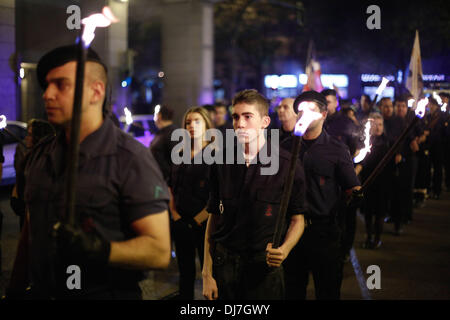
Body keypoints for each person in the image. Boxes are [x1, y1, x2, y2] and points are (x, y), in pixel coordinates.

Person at [6, 44, 171, 300]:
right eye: (47, 85)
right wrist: (15, 288)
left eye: (61, 85)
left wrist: (100, 250)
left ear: (96, 91)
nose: (47, 94)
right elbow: (30, 231)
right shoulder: (40, 155)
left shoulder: (130, 159)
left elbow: (158, 251)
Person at [202, 89, 306, 300]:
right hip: (225, 264)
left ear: (265, 122)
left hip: (263, 269)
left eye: (248, 116)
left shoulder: (287, 165)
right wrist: (206, 272)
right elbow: (214, 218)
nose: (240, 124)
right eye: (236, 117)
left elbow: (298, 219)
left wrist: (284, 249)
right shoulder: (221, 161)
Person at [282, 90, 361, 300]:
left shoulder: (337, 149)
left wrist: (356, 193)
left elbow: (350, 187)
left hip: (324, 232)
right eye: (300, 110)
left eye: (311, 109)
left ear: (324, 114)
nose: (304, 114)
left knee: (327, 291)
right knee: (292, 290)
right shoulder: (284, 148)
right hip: (289, 231)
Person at [169, 107, 213, 300]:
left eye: (197, 121)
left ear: (206, 124)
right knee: (185, 272)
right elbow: (171, 185)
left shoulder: (215, 153)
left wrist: (198, 219)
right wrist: (175, 214)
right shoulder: (180, 151)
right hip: (180, 219)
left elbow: (216, 193)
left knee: (208, 272)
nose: (192, 126)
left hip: (205, 222)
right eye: (188, 122)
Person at [10, 119, 55, 230]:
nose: (26, 138)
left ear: (38, 137)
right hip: (25, 215)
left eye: (30, 135)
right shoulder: (28, 156)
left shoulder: (45, 161)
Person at [355, 113, 391, 249]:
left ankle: (377, 239)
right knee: (369, 212)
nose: (378, 128)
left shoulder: (388, 142)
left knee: (380, 213)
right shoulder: (366, 143)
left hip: (383, 182)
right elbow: (361, 162)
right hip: (368, 182)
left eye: (380, 125)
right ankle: (369, 237)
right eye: (375, 125)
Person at [149, 104, 178, 182]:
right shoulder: (162, 132)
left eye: (155, 114)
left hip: (166, 181)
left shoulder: (172, 133)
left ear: (159, 116)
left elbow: (176, 162)